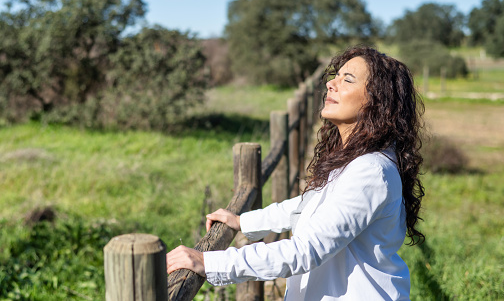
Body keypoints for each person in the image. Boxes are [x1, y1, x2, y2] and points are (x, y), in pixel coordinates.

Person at [166, 46, 425, 300]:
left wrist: (208, 262)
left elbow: (305, 251)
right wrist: (244, 222)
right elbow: (306, 207)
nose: (331, 84)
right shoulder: (354, 158)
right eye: (334, 76)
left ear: (378, 101)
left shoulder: (370, 171)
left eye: (347, 79)